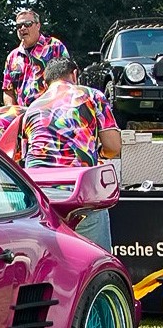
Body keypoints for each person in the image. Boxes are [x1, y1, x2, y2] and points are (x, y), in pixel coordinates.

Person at [21, 57, 121, 249]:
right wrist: (100, 154)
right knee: (95, 265)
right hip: (78, 195)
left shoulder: (32, 108)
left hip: (39, 198)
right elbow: (114, 146)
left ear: (45, 83)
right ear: (75, 75)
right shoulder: (91, 96)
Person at [2, 9, 69, 106]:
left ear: (38, 25)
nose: (23, 28)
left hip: (50, 111)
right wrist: (13, 113)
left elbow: (68, 80)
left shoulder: (54, 46)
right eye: (19, 26)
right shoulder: (12, 57)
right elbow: (8, 90)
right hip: (24, 115)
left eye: (28, 24)